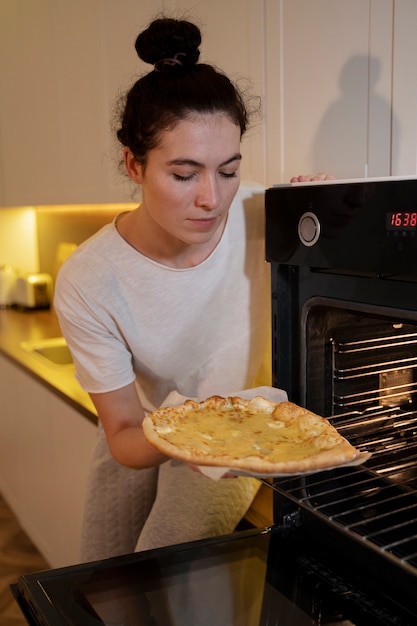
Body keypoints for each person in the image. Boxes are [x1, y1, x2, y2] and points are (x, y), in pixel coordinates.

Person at [54, 16, 332, 563]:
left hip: (251, 426)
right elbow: (126, 434)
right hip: (151, 422)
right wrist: (182, 439)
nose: (212, 198)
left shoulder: (264, 217)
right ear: (134, 164)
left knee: (162, 567)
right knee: (97, 573)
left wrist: (323, 218)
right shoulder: (90, 279)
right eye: (184, 175)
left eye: (228, 171)